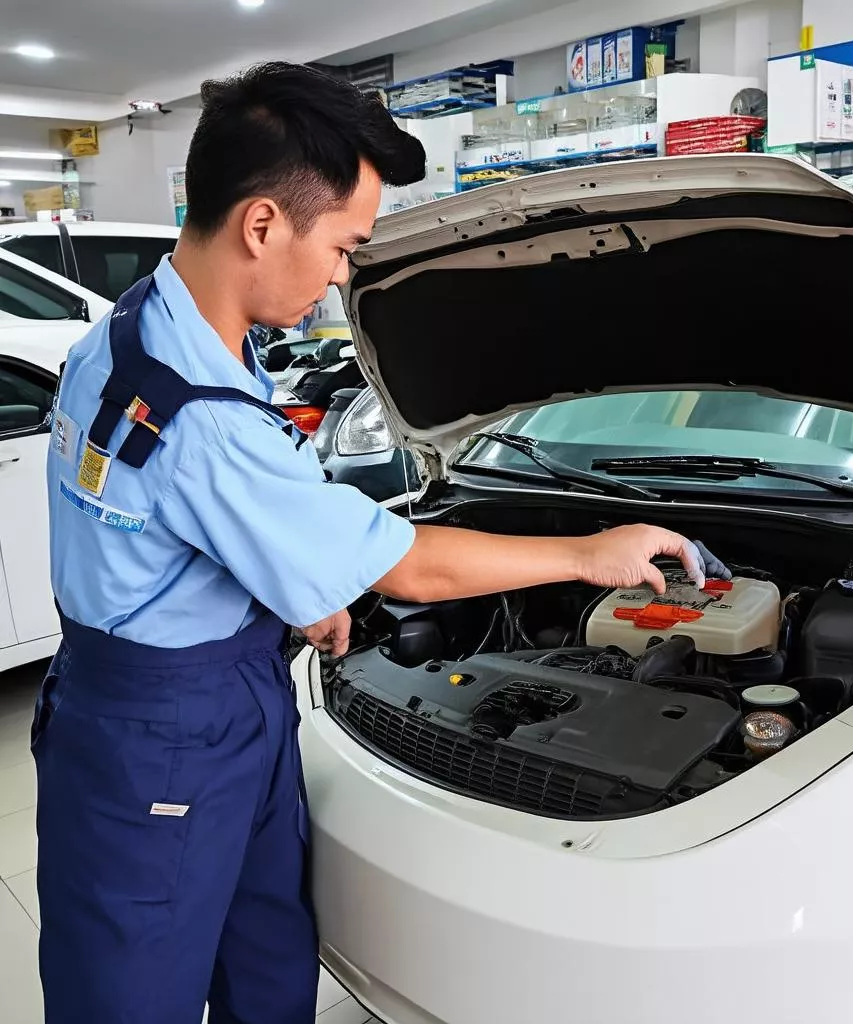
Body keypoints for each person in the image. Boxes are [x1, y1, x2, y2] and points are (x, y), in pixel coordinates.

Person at [35, 61, 727, 1024]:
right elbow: (411, 564)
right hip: (159, 735)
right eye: (345, 245)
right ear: (264, 225)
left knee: (269, 955)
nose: (345, 273)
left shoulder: (139, 326)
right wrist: (586, 552)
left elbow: (166, 523)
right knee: (129, 991)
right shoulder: (204, 419)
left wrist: (293, 587)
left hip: (217, 692)